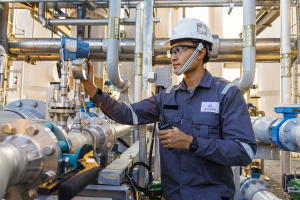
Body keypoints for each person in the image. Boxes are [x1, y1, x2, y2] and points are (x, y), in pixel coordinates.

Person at [85, 18, 257, 200]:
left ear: (201, 52)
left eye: (180, 49)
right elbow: (128, 114)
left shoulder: (226, 94)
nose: (173, 57)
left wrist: (192, 142)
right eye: (171, 51)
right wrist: (92, 91)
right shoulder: (167, 97)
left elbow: (244, 151)